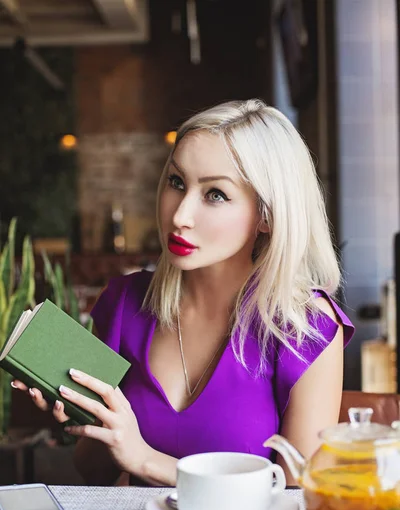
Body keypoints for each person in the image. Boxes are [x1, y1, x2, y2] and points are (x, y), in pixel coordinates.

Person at [13, 99, 354, 486]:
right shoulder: (124, 304)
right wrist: (87, 419)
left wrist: (146, 461)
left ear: (266, 216)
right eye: (177, 183)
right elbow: (94, 471)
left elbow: (296, 489)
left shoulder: (307, 328)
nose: (180, 216)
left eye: (215, 195)